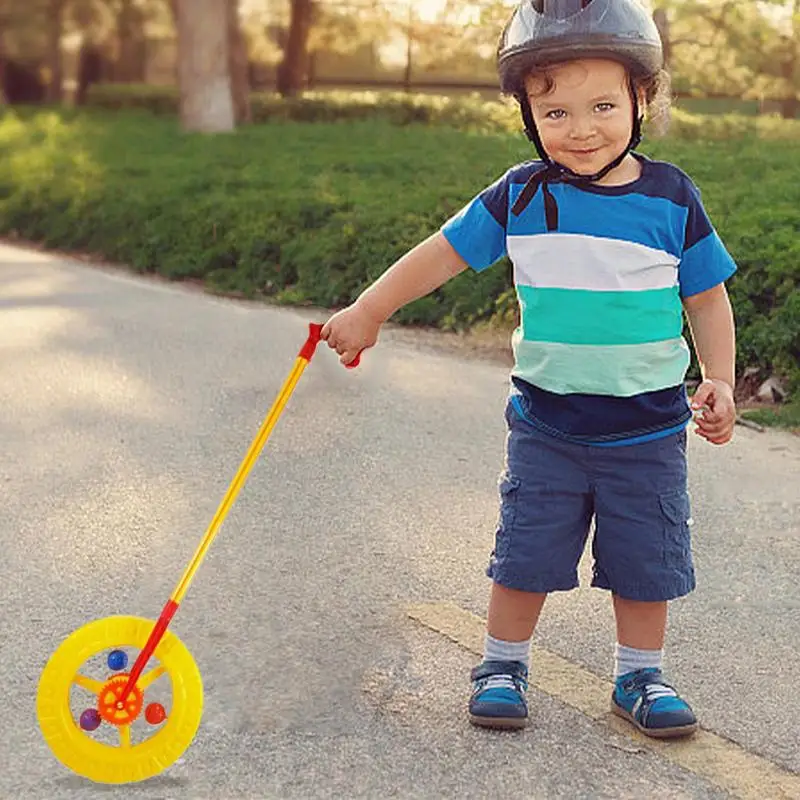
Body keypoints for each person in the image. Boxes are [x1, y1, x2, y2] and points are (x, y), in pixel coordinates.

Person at [321, 0, 737, 739]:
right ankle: (502, 662)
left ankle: (640, 674)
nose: (581, 129)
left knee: (647, 558)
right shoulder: (522, 194)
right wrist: (370, 308)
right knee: (525, 551)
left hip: (647, 432)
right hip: (547, 427)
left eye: (603, 106)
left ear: (642, 99)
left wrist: (722, 379)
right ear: (527, 117)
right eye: (556, 113)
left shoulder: (671, 197)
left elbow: (706, 298)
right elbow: (442, 251)